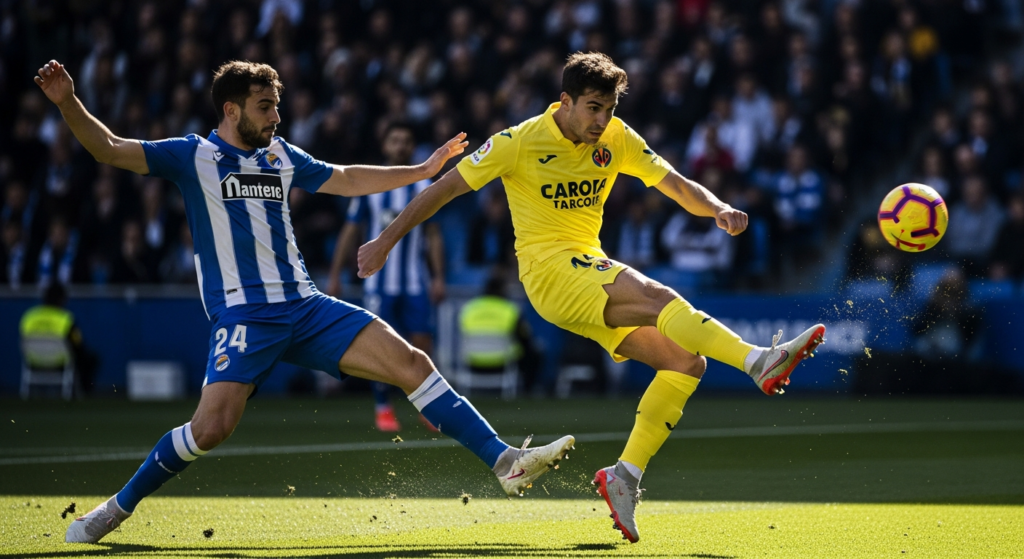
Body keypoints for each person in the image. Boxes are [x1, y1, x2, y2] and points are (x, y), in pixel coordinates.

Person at [35, 59, 573, 545]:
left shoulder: (279, 154)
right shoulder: (192, 156)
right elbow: (109, 148)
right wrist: (68, 104)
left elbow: (342, 178)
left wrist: (419, 171)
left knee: (412, 362)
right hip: (246, 314)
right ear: (231, 109)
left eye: (277, 105)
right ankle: (117, 508)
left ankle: (505, 461)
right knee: (210, 430)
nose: (276, 116)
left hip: (307, 306)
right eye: (265, 106)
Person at [358, 52, 826, 543]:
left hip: (585, 267)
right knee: (655, 297)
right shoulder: (518, 142)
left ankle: (624, 477)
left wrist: (719, 209)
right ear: (565, 101)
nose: (602, 121)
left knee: (686, 363)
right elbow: (442, 191)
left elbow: (674, 183)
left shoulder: (617, 137)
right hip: (549, 272)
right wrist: (385, 240)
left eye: (609, 109)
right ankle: (758, 361)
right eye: (593, 108)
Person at [326, 122, 444, 433]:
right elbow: (349, 232)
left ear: (411, 147)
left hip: (415, 281)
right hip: (379, 284)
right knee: (380, 347)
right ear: (385, 146)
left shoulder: (424, 187)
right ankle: (383, 407)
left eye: (406, 140)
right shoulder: (370, 188)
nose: (400, 145)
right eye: (395, 140)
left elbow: (433, 236)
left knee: (422, 343)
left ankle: (428, 407)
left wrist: (438, 277)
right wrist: (336, 274)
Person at [19, 282, 99, 394]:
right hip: (59, 361)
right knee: (89, 358)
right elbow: (78, 343)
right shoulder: (65, 318)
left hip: (33, 360)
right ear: (62, 299)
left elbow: (23, 339)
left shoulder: (29, 317)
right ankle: (84, 394)